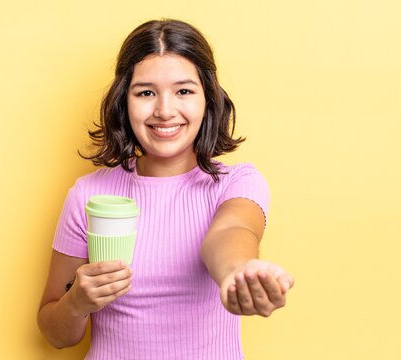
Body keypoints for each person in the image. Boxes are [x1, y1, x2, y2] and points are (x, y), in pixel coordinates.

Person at [37, 19, 294, 359]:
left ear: (208, 99)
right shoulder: (88, 194)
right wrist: (76, 303)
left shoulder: (236, 182)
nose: (165, 111)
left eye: (184, 91)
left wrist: (240, 272)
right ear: (122, 102)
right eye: (145, 92)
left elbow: (231, 232)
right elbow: (55, 334)